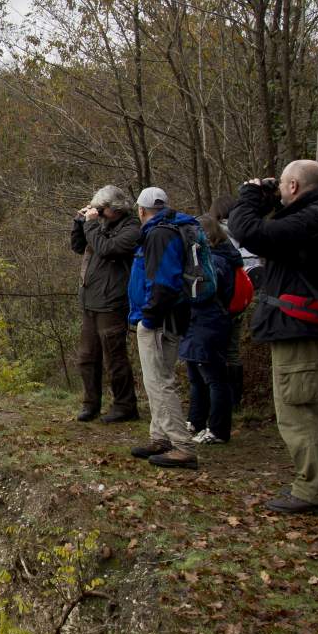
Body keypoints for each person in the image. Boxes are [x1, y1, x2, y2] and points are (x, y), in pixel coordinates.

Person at [227, 160, 318, 514]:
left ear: (295, 186)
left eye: (283, 186)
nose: (279, 192)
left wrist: (251, 197)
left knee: (300, 411)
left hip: (300, 328)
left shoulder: (309, 220)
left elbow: (249, 233)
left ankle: (313, 491)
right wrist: (270, 199)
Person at [126, 187, 200, 469]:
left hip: (160, 320)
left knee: (159, 382)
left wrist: (149, 317)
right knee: (157, 379)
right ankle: (160, 437)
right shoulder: (172, 229)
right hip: (170, 317)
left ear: (142, 211)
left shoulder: (158, 234)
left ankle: (181, 444)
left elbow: (164, 283)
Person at [69, 186, 141, 423]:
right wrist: (79, 224)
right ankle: (91, 404)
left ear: (115, 209)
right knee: (87, 357)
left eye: (101, 209)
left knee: (114, 358)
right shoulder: (101, 225)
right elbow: (80, 247)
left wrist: (90, 225)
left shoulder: (131, 229)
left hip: (112, 302)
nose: (98, 212)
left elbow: (108, 249)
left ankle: (125, 406)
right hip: (91, 300)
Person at [181, 215, 241, 445]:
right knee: (196, 376)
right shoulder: (211, 259)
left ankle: (217, 429)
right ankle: (196, 421)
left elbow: (203, 292)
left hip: (209, 321)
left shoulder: (216, 262)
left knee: (214, 378)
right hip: (199, 321)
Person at [211, 195, 259, 409]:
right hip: (241, 299)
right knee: (232, 351)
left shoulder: (215, 234)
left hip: (220, 302)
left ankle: (221, 400)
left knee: (216, 352)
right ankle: (235, 400)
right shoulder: (248, 231)